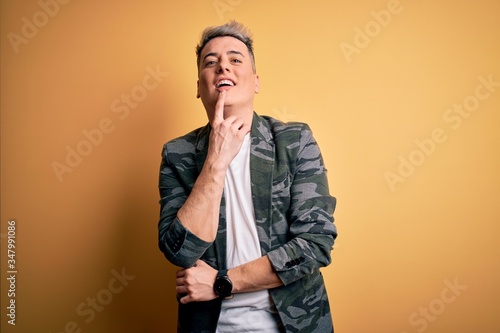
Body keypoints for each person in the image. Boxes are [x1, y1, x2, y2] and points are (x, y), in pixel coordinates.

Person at [158, 21, 337, 333]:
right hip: (210, 326)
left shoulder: (295, 141)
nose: (223, 65)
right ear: (199, 88)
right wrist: (215, 161)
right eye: (210, 62)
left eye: (235, 59)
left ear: (255, 81)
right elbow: (180, 251)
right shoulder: (177, 154)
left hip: (296, 323)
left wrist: (222, 282)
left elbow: (315, 244)